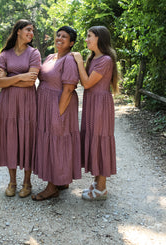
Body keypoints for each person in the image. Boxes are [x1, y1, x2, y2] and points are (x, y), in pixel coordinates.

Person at [0, 19, 41, 198]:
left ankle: (27, 183)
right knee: (10, 138)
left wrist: (10, 80)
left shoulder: (34, 53)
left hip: (28, 102)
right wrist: (22, 76)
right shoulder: (4, 55)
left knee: (27, 138)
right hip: (8, 103)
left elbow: (31, 81)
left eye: (32, 31)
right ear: (18, 31)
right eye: (28, 29)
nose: (31, 33)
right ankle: (12, 182)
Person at [31, 26, 81, 201]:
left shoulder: (68, 60)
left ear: (71, 43)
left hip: (60, 106)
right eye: (58, 35)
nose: (59, 38)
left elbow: (68, 89)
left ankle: (52, 187)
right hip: (45, 104)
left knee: (57, 142)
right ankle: (62, 179)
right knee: (53, 141)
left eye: (64, 37)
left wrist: (58, 113)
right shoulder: (51, 57)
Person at [71, 25, 119, 200]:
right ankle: (97, 181)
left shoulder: (105, 60)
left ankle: (102, 188)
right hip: (92, 103)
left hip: (100, 105)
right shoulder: (94, 58)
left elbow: (88, 83)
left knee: (100, 141)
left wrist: (79, 61)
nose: (86, 39)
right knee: (93, 138)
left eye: (89, 36)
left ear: (99, 38)